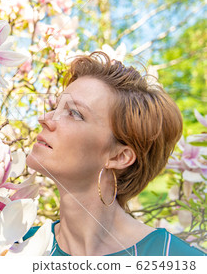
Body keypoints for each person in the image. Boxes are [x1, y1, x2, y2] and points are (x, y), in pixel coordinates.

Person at [24, 51, 205, 256]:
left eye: (74, 113)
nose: (44, 118)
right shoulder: (15, 248)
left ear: (119, 157)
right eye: (56, 107)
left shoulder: (175, 258)